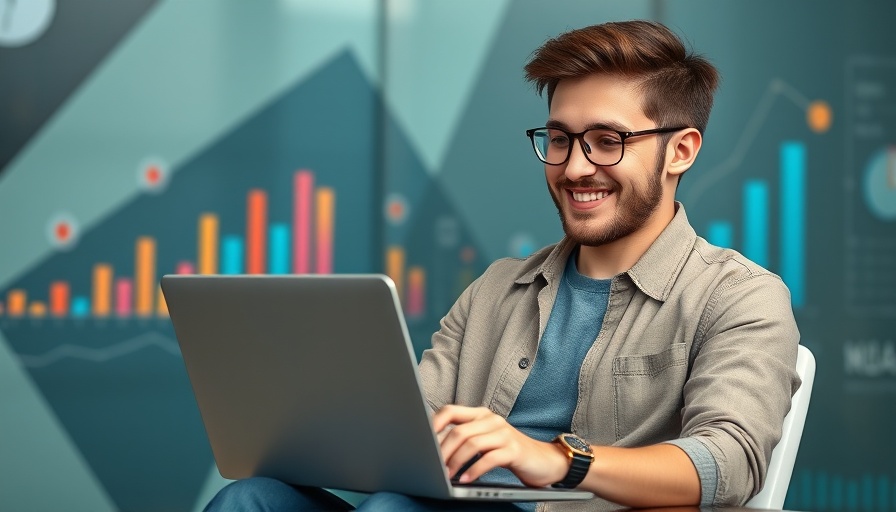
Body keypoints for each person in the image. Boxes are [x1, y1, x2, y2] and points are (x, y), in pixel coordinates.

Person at [205, 19, 800, 511]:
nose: (573, 168)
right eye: (561, 138)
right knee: (251, 498)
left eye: (607, 140)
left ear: (681, 150)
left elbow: (729, 462)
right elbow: (411, 439)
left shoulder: (740, 295)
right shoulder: (497, 288)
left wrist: (556, 461)